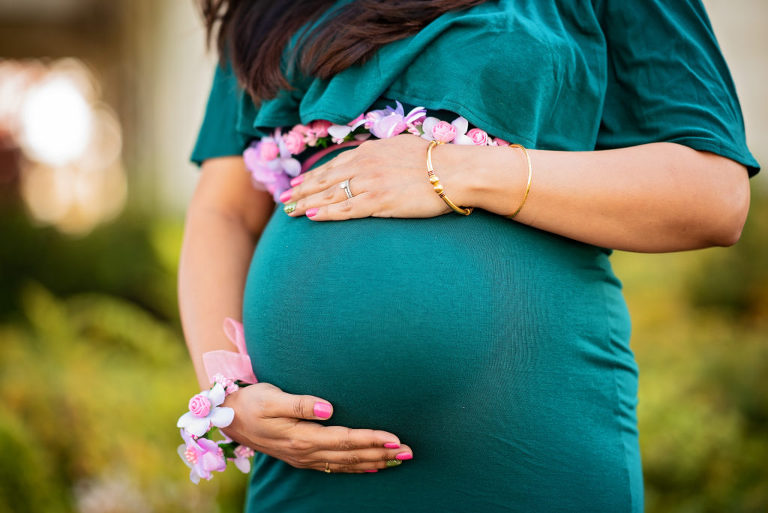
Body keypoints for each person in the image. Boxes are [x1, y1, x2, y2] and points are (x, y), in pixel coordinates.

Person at [178, 1, 760, 511]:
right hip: (305, 462)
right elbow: (224, 212)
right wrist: (227, 396)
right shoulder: (266, 7)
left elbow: (714, 195)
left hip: (523, 441)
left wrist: (454, 171)